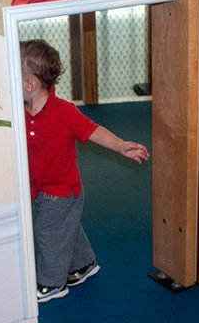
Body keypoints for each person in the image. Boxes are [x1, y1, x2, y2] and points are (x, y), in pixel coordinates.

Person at [21, 39, 150, 303]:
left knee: (49, 233)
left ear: (30, 84)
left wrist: (120, 145)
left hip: (61, 190)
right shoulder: (20, 112)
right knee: (66, 226)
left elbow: (92, 131)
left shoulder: (64, 112)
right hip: (42, 187)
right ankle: (83, 265)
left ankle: (52, 283)